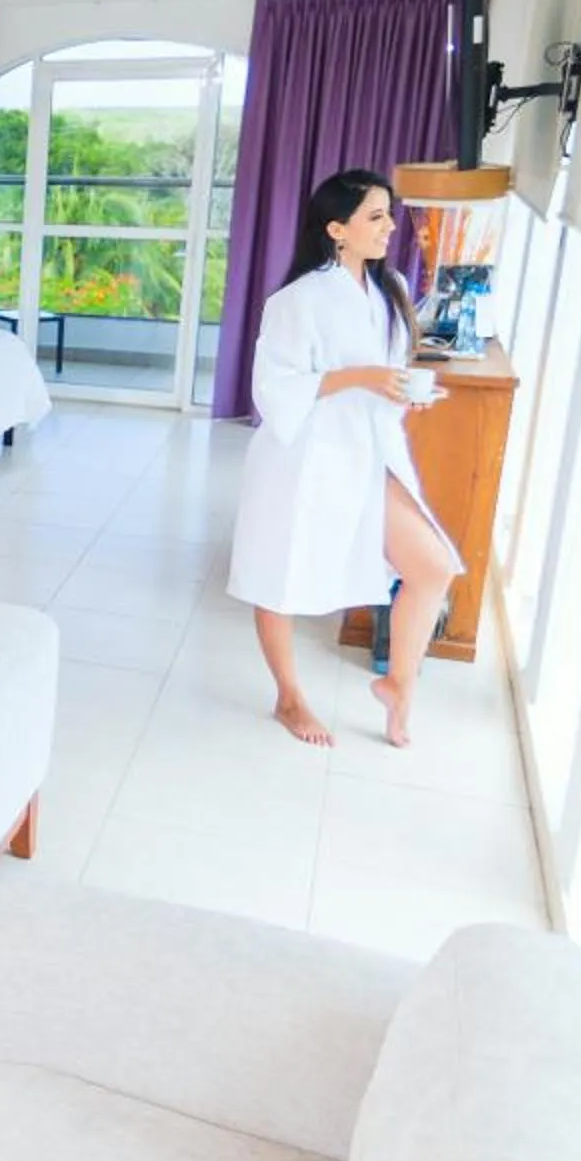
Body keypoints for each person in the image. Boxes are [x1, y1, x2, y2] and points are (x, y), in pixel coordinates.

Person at [227, 169, 460, 747]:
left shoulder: (392, 289)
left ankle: (399, 685)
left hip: (372, 450)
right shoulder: (297, 301)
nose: (389, 227)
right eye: (374, 217)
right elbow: (275, 387)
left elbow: (389, 373)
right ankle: (289, 697)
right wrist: (365, 376)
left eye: (389, 214)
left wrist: (407, 392)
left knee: (433, 566)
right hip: (304, 458)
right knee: (276, 576)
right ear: (337, 230)